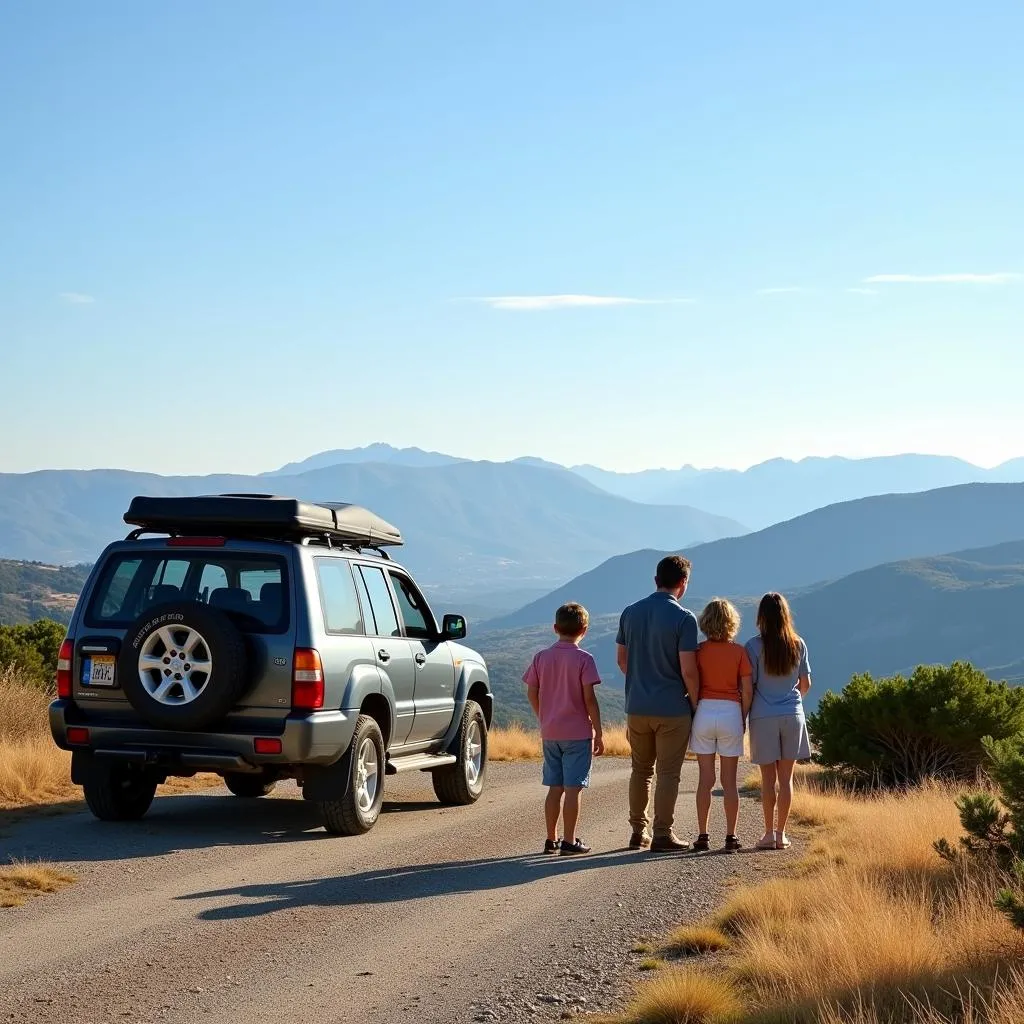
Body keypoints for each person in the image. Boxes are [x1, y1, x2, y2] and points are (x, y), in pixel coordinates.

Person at [616, 554, 700, 852]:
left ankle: (638, 832)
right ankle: (663, 833)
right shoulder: (684, 618)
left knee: (640, 770)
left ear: (655, 581)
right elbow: (688, 669)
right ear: (683, 583)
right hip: (673, 708)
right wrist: (696, 701)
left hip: (637, 705)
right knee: (667, 773)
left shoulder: (630, 612)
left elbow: (622, 661)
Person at [523, 601, 604, 856]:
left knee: (554, 788)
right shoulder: (584, 659)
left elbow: (531, 691)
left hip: (550, 732)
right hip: (578, 734)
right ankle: (569, 841)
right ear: (585, 629)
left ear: (555, 627)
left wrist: (542, 716)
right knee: (573, 788)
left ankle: (551, 839)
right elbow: (589, 698)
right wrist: (598, 732)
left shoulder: (541, 657)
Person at [745, 592, 812, 851]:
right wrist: (792, 699)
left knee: (767, 780)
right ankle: (782, 834)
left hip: (763, 716)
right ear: (786, 615)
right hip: (793, 715)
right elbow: (805, 684)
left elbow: (749, 687)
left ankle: (768, 834)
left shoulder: (752, 647)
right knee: (786, 780)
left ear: (761, 616)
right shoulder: (799, 644)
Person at [690, 598, 753, 852]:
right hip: (730, 713)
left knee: (705, 779)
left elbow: (691, 680)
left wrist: (696, 708)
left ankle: (703, 835)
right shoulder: (739, 652)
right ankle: (730, 836)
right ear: (731, 622)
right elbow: (747, 690)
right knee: (729, 781)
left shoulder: (698, 651)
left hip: (704, 710)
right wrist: (742, 716)